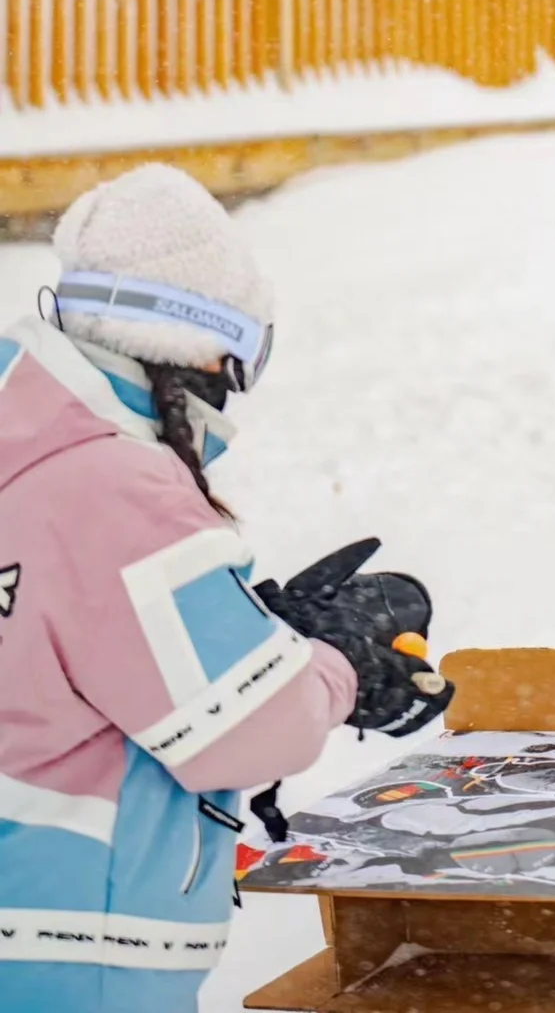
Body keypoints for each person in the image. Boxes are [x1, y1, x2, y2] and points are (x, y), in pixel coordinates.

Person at [0, 165, 453, 1013]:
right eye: (237, 353)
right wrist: (338, 662)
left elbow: (63, 651)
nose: (231, 381)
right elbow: (249, 730)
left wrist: (258, 630)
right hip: (65, 947)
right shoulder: (112, 487)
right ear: (193, 343)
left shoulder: (25, 447)